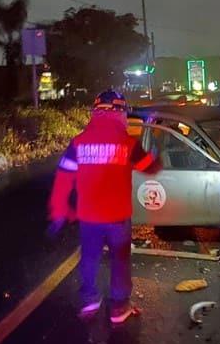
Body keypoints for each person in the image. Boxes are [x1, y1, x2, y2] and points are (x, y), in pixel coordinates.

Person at [47, 89, 157, 324]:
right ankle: (119, 308)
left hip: (89, 217)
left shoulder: (79, 142)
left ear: (95, 112)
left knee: (89, 258)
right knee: (120, 260)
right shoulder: (127, 143)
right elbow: (149, 166)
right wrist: (159, 157)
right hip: (118, 217)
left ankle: (89, 300)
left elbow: (64, 177)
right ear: (120, 112)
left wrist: (59, 210)